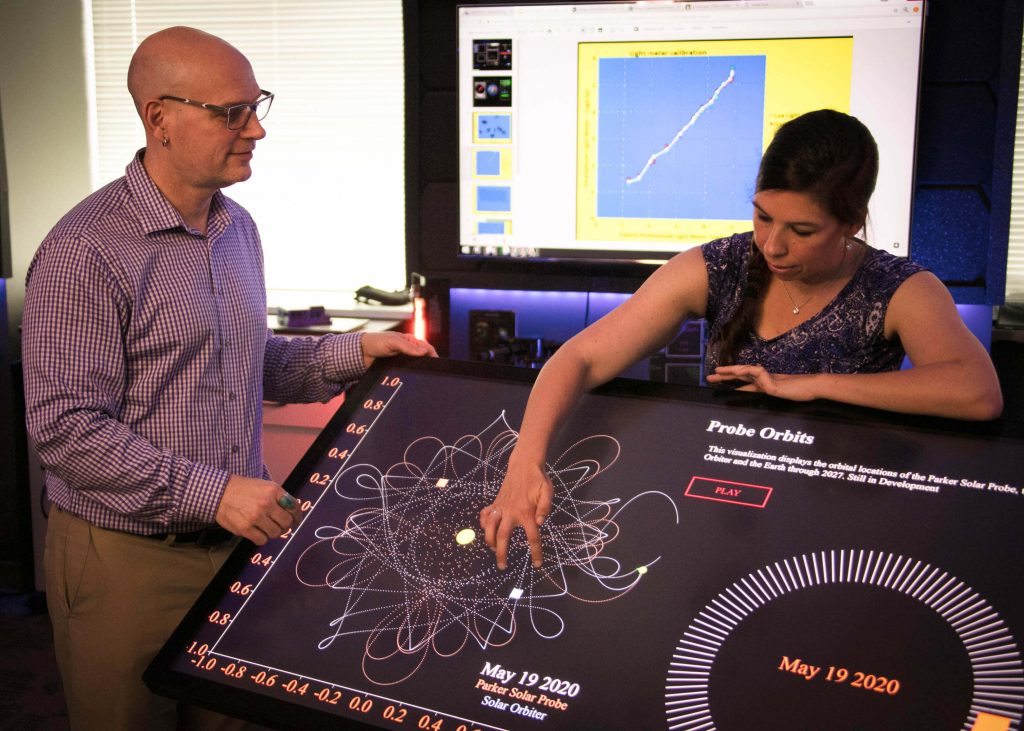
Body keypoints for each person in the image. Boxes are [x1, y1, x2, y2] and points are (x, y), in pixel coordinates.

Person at [21, 26, 435, 730]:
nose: (258, 129)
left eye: (257, 105)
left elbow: (248, 362)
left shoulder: (235, 227)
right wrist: (214, 493)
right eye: (232, 112)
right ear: (160, 118)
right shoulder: (82, 251)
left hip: (233, 548)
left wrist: (356, 354)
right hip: (126, 559)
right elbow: (65, 431)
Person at [479, 109, 1003, 571]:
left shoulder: (899, 288)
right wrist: (524, 461)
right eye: (763, 216)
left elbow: (977, 392)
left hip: (838, 523)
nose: (773, 245)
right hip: (724, 511)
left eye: (802, 230)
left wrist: (814, 385)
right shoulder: (720, 264)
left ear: (851, 223)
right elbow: (583, 356)